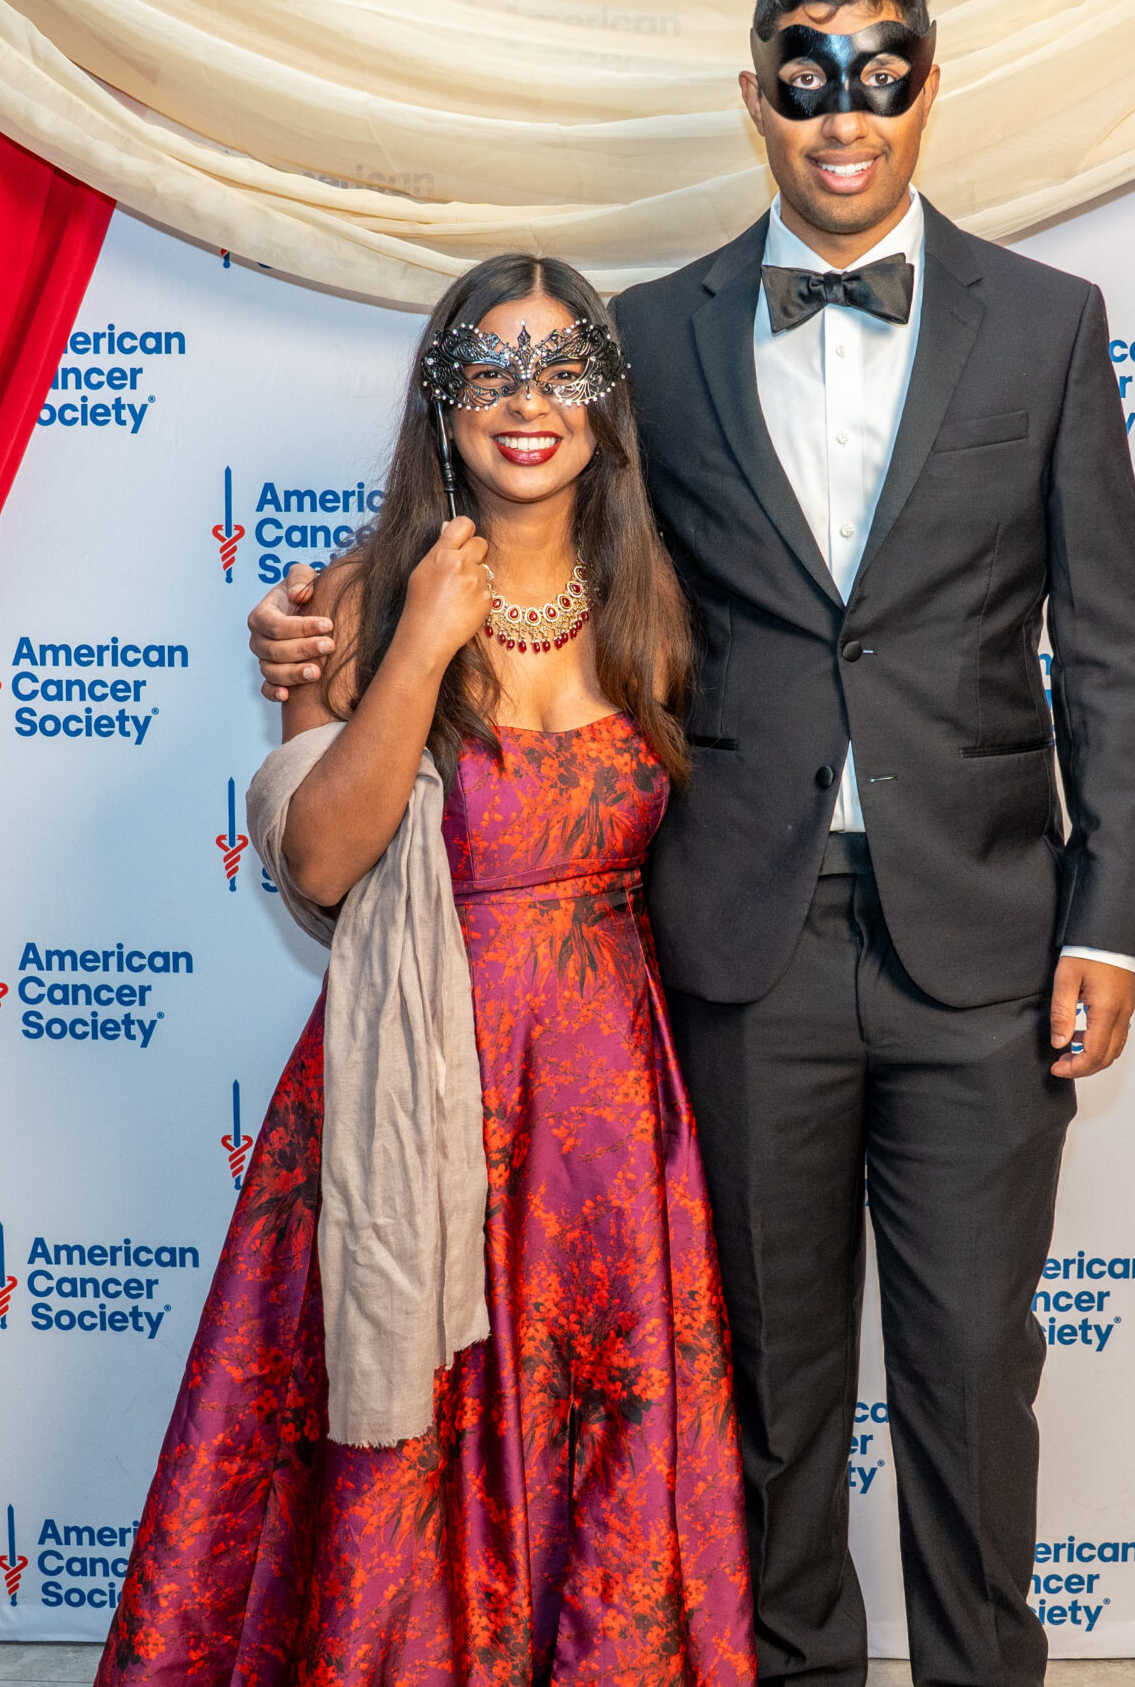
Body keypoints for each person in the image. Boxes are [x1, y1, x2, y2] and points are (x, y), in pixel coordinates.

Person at [253, 0, 1135, 1687]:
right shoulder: (652, 339)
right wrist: (330, 620)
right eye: (807, 81)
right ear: (756, 100)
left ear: (928, 89)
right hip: (737, 946)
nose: (845, 117)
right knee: (767, 1393)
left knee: (976, 1380)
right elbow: (525, 510)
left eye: (880, 75)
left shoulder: (1050, 327)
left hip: (988, 943)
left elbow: (1111, 650)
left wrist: (1109, 923)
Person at [103, 256, 753, 1686]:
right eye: (491, 371)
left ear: (608, 402)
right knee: (397, 1447)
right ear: (439, 401)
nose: (529, 403)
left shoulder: (658, 601)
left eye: (563, 368)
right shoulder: (352, 599)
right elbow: (323, 864)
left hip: (601, 1120)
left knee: (602, 1452)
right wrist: (417, 644)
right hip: (408, 1094)